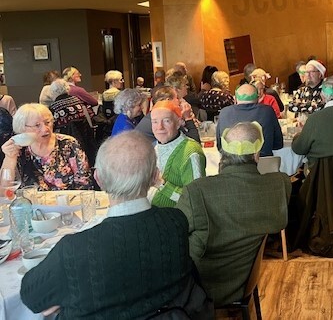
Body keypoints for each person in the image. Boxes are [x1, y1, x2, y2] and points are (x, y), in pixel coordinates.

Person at [20, 131, 210, 319]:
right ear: (155, 177)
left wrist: (66, 298)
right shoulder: (175, 222)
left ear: (98, 179)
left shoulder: (74, 249)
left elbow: (32, 298)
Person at [176, 121, 291, 306]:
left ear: (222, 153)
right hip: (245, 281)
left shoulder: (197, 191)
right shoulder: (279, 184)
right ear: (256, 154)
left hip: (199, 286)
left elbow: (176, 237)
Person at [0, 103, 93, 190]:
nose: (45, 129)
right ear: (23, 128)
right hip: (30, 205)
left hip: (67, 204)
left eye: (47, 122)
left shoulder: (68, 144)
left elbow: (85, 183)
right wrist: (10, 158)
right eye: (37, 125)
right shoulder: (18, 149)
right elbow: (5, 191)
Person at [149, 100, 205, 207]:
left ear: (178, 123)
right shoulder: (154, 147)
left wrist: (162, 185)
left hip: (173, 218)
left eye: (166, 121)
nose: (159, 127)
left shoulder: (191, 153)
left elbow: (194, 201)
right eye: (155, 122)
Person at [216, 84, 283, 157]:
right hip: (264, 165)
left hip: (232, 164)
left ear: (235, 99)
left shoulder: (224, 113)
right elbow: (278, 144)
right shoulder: (268, 111)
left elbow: (220, 147)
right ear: (258, 98)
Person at [48, 78, 97, 164]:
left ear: (53, 92)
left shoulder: (54, 108)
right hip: (85, 141)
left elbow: (51, 128)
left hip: (66, 145)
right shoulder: (77, 100)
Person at [135, 85, 200, 143]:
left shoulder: (155, 114)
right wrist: (188, 118)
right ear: (168, 100)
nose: (180, 101)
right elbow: (194, 143)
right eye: (177, 98)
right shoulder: (165, 118)